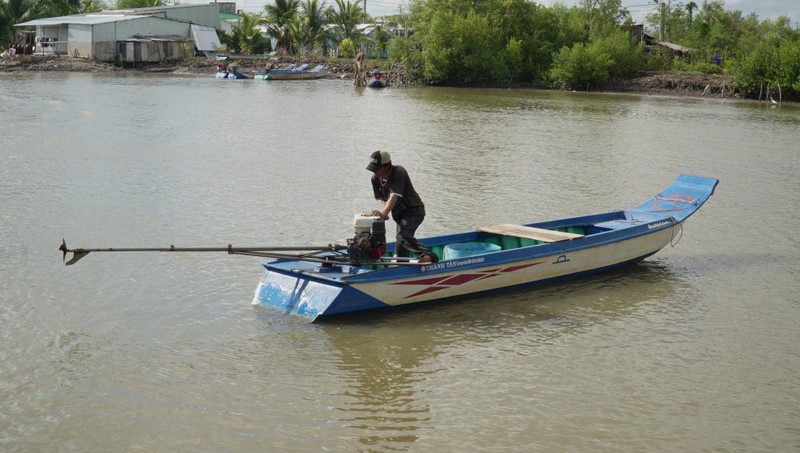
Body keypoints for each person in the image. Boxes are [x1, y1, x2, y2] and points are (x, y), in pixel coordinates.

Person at [366, 150, 439, 263]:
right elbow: (384, 199)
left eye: (376, 168)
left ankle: (429, 255)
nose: (374, 171)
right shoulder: (375, 179)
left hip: (414, 211)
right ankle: (402, 265)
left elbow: (394, 196)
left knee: (402, 236)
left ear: (386, 167)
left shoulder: (398, 172)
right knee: (400, 247)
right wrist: (383, 213)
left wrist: (384, 213)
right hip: (400, 215)